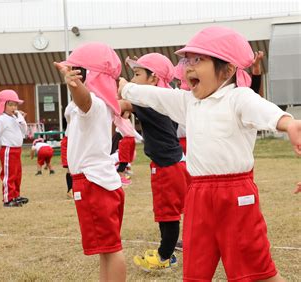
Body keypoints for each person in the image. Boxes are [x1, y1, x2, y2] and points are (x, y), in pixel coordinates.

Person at [119, 26, 301, 281]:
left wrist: (288, 123)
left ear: (226, 70)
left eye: (199, 60)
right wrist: (126, 88)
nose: (189, 67)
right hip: (198, 197)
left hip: (236, 195)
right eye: (187, 60)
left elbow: (265, 111)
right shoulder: (189, 102)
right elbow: (155, 95)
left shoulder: (238, 97)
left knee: (257, 271)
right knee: (195, 272)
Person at [53, 42, 126, 282]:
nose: (72, 75)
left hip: (95, 184)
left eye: (77, 70)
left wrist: (75, 85)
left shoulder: (93, 103)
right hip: (93, 182)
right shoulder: (92, 105)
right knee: (105, 250)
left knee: (111, 249)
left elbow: (84, 100)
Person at [121, 53, 190, 271]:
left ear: (153, 79)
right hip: (174, 162)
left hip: (167, 166)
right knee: (174, 212)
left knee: (167, 215)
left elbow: (121, 101)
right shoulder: (162, 98)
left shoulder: (152, 103)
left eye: (137, 74)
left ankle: (164, 256)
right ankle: (168, 253)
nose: (132, 79)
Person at [0, 90, 29, 208]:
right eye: (10, 104)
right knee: (9, 175)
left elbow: (24, 132)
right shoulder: (2, 119)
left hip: (17, 149)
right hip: (8, 149)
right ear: (3, 105)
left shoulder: (15, 117)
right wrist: (0, 147)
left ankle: (16, 195)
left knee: (17, 173)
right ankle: (8, 198)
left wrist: (21, 119)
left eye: (15, 105)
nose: (14, 107)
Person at [113, 112, 138, 186]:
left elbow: (133, 131)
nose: (128, 114)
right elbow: (116, 115)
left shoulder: (128, 121)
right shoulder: (119, 120)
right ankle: (120, 176)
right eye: (126, 112)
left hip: (131, 140)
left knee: (128, 159)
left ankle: (124, 172)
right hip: (125, 140)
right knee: (124, 159)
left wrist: (141, 139)